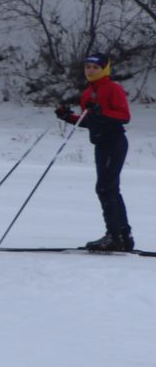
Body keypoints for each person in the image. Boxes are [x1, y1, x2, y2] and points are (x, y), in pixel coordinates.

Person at [57, 51, 133, 250]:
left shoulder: (112, 89)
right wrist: (68, 117)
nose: (90, 71)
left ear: (104, 69)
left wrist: (101, 111)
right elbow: (90, 121)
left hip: (114, 142)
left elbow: (124, 116)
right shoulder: (88, 92)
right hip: (101, 143)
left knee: (105, 188)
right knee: (110, 188)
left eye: (95, 67)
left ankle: (115, 236)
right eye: (88, 67)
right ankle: (123, 236)